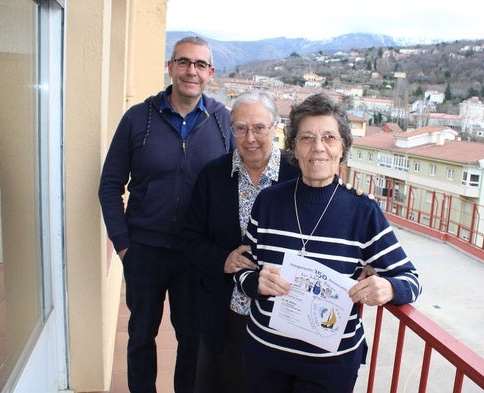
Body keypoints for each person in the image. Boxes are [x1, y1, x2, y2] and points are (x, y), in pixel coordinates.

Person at [234, 92, 422, 393]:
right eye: (307, 138)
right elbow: (242, 270)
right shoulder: (268, 202)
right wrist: (254, 281)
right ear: (294, 146)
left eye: (329, 138)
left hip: (329, 368)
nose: (318, 148)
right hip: (264, 356)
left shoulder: (363, 212)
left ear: (343, 147)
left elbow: (410, 280)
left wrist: (387, 288)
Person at [98, 36, 235, 393]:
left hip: (196, 254)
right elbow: (109, 185)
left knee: (192, 340)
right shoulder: (138, 119)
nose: (192, 71)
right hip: (144, 250)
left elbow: (252, 172)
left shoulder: (224, 122)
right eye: (184, 62)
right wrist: (123, 244)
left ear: (211, 74)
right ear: (170, 67)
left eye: (200, 65)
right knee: (141, 335)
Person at [181, 90, 300, 393]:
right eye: (241, 128)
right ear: (232, 129)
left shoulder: (298, 177)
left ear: (276, 128)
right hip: (226, 312)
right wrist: (223, 259)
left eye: (259, 128)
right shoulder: (212, 175)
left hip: (282, 318)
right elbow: (190, 238)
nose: (250, 138)